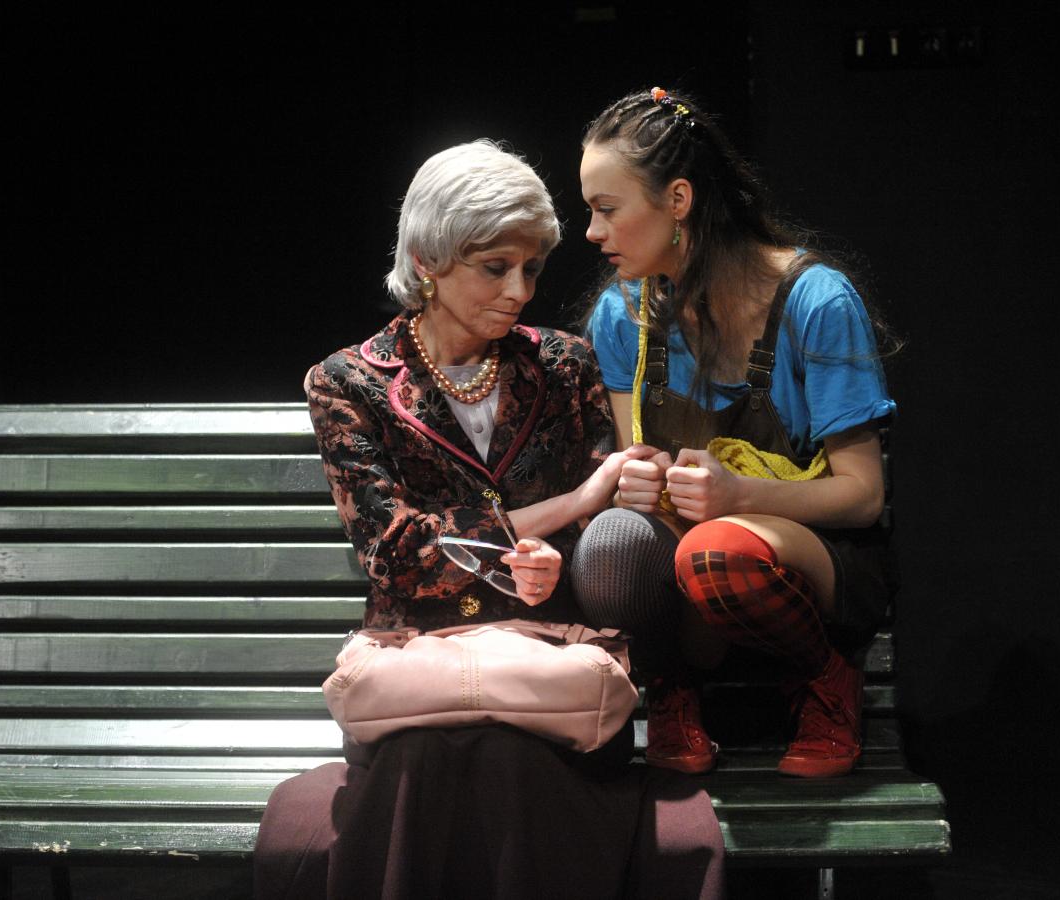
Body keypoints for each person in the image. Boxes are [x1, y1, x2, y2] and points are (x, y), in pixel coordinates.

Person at [253, 140, 725, 899]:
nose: (519, 291)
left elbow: (603, 533)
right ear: (428, 261)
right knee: (429, 760)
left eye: (532, 268)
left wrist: (560, 556)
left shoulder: (563, 365)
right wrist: (567, 507)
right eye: (495, 267)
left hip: (551, 675)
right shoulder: (348, 383)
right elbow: (396, 552)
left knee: (515, 758)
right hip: (419, 676)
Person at [573, 88, 898, 779]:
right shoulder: (622, 314)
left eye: (607, 209)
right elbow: (635, 463)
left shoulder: (815, 301)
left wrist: (738, 496)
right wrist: (633, 485)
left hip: (805, 565)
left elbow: (864, 495)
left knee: (716, 550)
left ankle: (825, 677)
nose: (593, 233)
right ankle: (672, 685)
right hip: (690, 575)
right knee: (612, 544)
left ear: (678, 200)